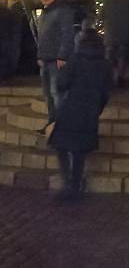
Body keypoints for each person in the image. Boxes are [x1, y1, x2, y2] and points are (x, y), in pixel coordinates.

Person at [48, 24, 110, 200]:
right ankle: (75, 185)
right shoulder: (104, 64)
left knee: (61, 146)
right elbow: (106, 92)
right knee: (79, 152)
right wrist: (97, 109)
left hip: (70, 110)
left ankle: (68, 183)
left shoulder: (75, 59)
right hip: (89, 113)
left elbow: (61, 84)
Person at [36, 0, 74, 127]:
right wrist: (39, 55)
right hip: (45, 60)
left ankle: (61, 124)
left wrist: (63, 56)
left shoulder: (62, 11)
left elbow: (67, 35)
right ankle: (52, 122)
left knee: (56, 93)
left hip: (56, 60)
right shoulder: (45, 13)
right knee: (47, 95)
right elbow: (42, 37)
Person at [102, 0, 129, 87]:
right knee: (122, 56)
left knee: (109, 56)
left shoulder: (108, 2)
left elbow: (101, 16)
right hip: (124, 34)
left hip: (110, 34)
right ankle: (120, 76)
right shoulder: (128, 3)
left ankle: (109, 76)